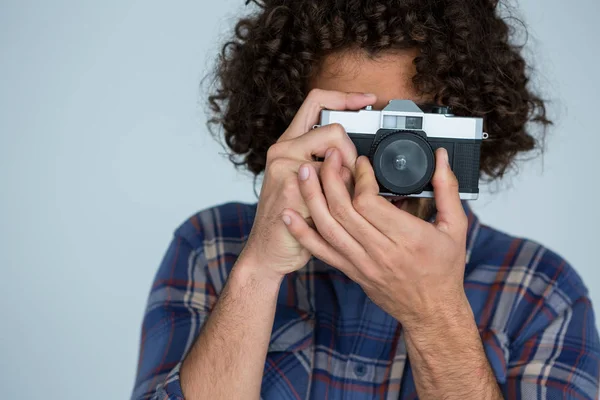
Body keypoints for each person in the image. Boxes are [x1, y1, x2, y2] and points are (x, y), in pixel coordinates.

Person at [131, 0, 600, 398]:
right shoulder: (213, 247)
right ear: (298, 124)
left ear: (463, 126)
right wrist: (257, 272)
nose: (392, 161)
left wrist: (436, 315)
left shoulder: (541, 289)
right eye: (360, 126)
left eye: (413, 128)